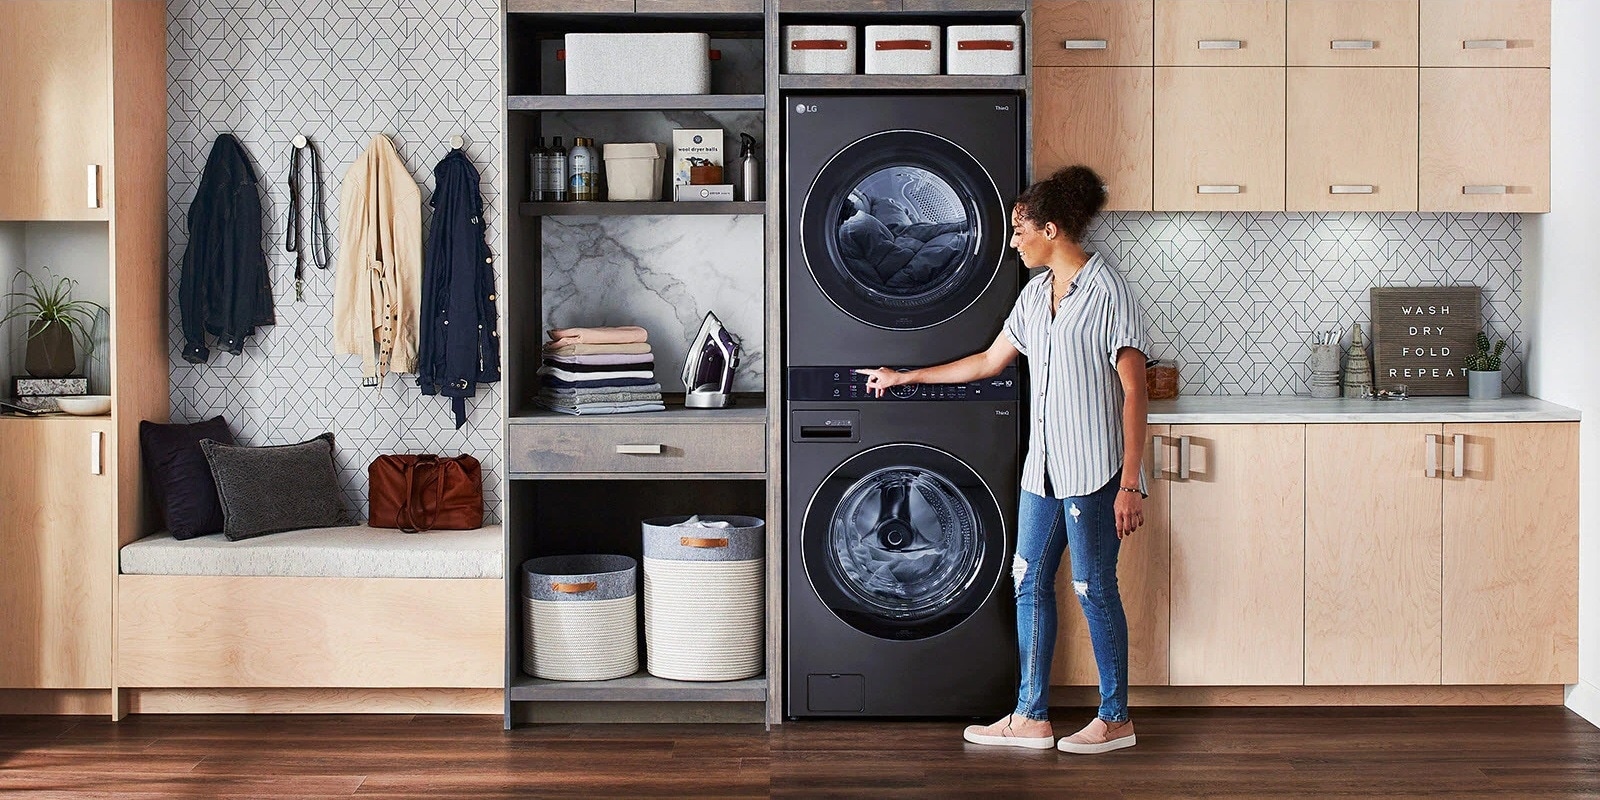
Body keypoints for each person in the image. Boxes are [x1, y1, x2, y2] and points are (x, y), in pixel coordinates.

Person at [856, 165, 1149, 755]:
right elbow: (989, 361)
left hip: (1094, 474)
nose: (1012, 240)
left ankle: (1115, 717)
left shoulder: (1108, 290)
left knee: (1093, 587)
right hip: (1040, 471)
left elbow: (1135, 390)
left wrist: (1130, 483)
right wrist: (904, 377)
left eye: (1020, 229)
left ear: (1051, 228)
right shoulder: (1036, 295)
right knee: (1027, 582)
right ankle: (1030, 716)